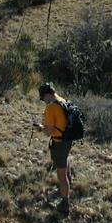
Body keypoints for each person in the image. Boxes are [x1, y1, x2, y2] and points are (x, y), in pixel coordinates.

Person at [35, 82, 72, 215]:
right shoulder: (63, 100)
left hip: (59, 143)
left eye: (42, 98)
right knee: (65, 161)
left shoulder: (51, 107)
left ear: (47, 95)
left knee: (61, 176)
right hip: (68, 139)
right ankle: (68, 181)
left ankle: (65, 203)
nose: (43, 101)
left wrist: (41, 128)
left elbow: (49, 132)